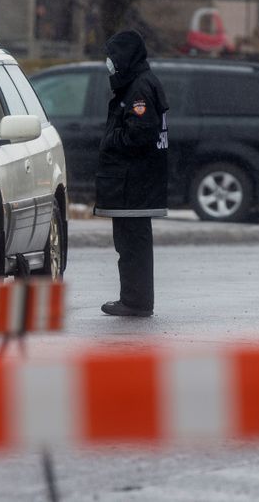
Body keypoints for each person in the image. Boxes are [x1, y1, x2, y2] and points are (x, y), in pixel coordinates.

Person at [95, 30, 169, 317]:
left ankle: (135, 301)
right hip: (137, 182)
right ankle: (135, 298)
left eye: (112, 56)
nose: (109, 63)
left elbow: (140, 134)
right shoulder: (141, 83)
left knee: (132, 246)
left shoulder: (139, 88)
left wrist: (110, 140)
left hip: (134, 184)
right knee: (131, 244)